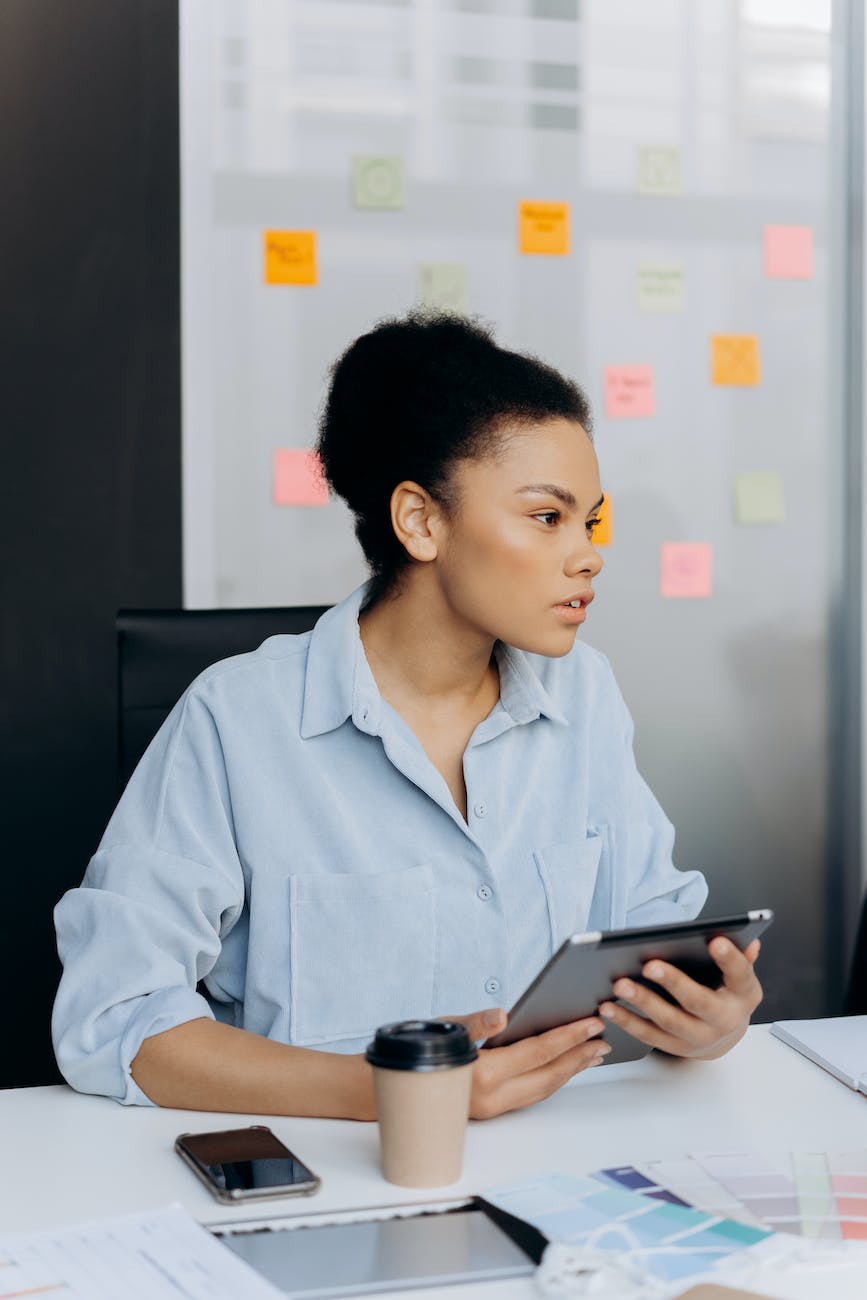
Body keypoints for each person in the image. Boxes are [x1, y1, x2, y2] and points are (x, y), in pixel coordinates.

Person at [52, 313, 763, 1121]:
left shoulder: (583, 694)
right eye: (545, 516)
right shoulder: (237, 718)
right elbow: (112, 1019)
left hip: (557, 1172)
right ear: (421, 521)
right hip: (324, 1183)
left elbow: (654, 933)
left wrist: (706, 1020)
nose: (588, 552)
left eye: (589, 520)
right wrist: (397, 1091)